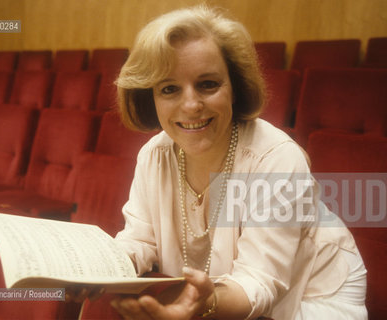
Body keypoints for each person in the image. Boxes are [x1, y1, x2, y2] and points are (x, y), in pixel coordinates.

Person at [109, 5, 368, 320]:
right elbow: (139, 240)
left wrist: (203, 305)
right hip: (223, 296)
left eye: (208, 84)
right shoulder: (154, 156)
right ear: (151, 97)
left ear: (234, 88)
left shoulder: (278, 158)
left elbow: (258, 283)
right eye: (169, 89)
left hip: (316, 294)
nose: (190, 105)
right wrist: (95, 268)